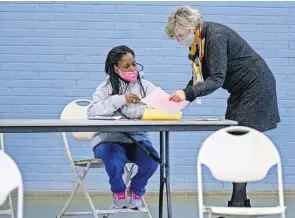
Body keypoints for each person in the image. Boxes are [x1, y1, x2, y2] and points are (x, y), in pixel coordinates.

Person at [165, 6, 281, 210]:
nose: (179, 41)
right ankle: (241, 203)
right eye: (176, 37)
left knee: (240, 144)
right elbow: (197, 80)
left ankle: (237, 204)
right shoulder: (200, 44)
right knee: (237, 144)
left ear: (192, 27)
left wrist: (188, 93)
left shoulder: (215, 37)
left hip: (256, 87)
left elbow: (217, 79)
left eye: (181, 35)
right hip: (240, 92)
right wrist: (177, 102)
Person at [87, 45, 159, 210]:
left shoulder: (145, 86)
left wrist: (132, 110)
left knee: (152, 160)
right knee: (114, 161)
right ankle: (118, 192)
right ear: (115, 67)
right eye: (126, 66)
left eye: (134, 64)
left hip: (138, 140)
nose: (132, 68)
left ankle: (136, 190)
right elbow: (91, 111)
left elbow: (161, 106)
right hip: (108, 141)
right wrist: (120, 100)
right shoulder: (105, 87)